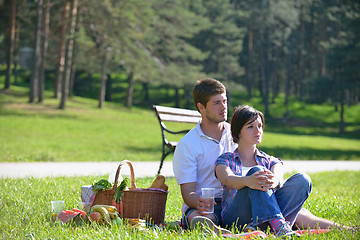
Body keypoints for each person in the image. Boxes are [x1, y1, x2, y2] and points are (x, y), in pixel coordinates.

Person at [173, 78, 351, 235]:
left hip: (250, 197)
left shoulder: (235, 130)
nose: (224, 107)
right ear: (201, 107)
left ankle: (347, 230)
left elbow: (269, 162)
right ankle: (226, 229)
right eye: (217, 103)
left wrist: (275, 178)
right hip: (214, 205)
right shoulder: (188, 145)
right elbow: (189, 192)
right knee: (200, 216)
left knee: (301, 204)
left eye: (225, 101)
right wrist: (199, 201)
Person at [215, 105, 311, 237]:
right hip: (236, 218)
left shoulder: (271, 161)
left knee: (303, 180)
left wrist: (274, 181)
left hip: (263, 214)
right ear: (238, 132)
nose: (257, 131)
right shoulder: (225, 159)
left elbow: (278, 179)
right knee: (258, 172)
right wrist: (248, 181)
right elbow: (228, 179)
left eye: (260, 126)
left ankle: (263, 226)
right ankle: (278, 225)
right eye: (250, 127)